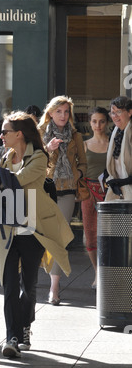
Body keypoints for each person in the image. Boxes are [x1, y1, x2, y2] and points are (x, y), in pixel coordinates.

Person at [0, 111, 74, 358]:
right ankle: (12, 337)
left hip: (33, 229)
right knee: (9, 285)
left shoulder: (38, 157)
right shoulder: (4, 158)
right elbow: (0, 184)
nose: (0, 135)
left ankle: (25, 326)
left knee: (28, 283)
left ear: (19, 134)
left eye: (5, 131)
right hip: (7, 229)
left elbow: (16, 181)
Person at [38, 95, 87, 305]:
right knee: (41, 236)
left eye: (66, 112)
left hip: (67, 190)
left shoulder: (75, 136)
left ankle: (54, 288)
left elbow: (83, 163)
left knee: (59, 239)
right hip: (45, 190)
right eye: (59, 111)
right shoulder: (39, 135)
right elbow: (32, 162)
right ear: (50, 113)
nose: (63, 115)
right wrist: (48, 149)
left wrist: (76, 176)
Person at [81, 107, 109, 289]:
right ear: (89, 123)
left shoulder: (113, 143)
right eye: (94, 121)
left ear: (107, 123)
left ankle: (107, 272)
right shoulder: (84, 145)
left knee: (108, 235)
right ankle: (97, 271)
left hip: (110, 193)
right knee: (90, 235)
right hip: (88, 192)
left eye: (101, 121)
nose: (97, 125)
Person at [105, 95, 132, 200]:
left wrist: (124, 181)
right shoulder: (115, 133)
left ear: (130, 112)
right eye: (112, 112)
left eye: (119, 112)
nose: (115, 116)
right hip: (119, 191)